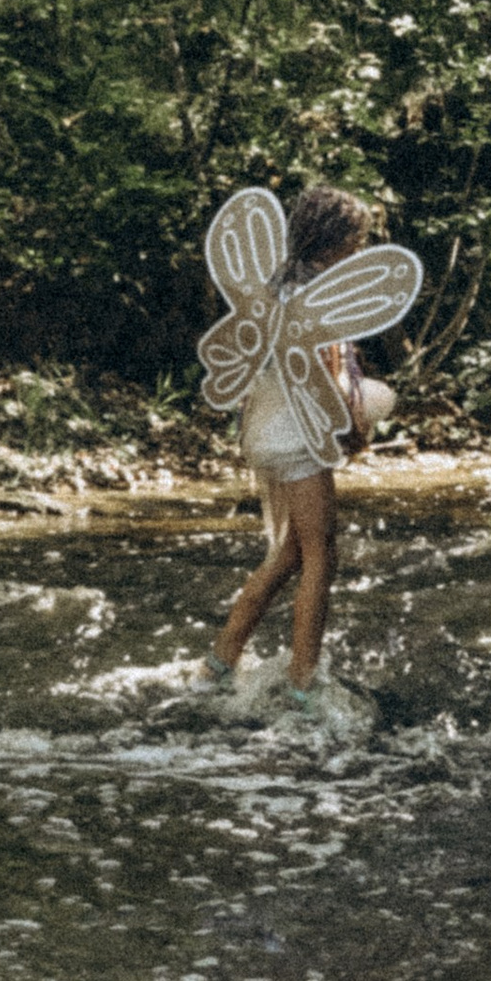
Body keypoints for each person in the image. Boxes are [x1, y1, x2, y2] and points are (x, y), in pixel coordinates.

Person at [208, 183, 389, 698]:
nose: (358, 253)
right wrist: (351, 427)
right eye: (355, 242)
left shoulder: (271, 288)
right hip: (296, 436)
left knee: (290, 553)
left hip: (265, 430)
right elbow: (317, 374)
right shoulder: (316, 297)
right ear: (332, 243)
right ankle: (304, 681)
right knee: (321, 555)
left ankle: (219, 663)